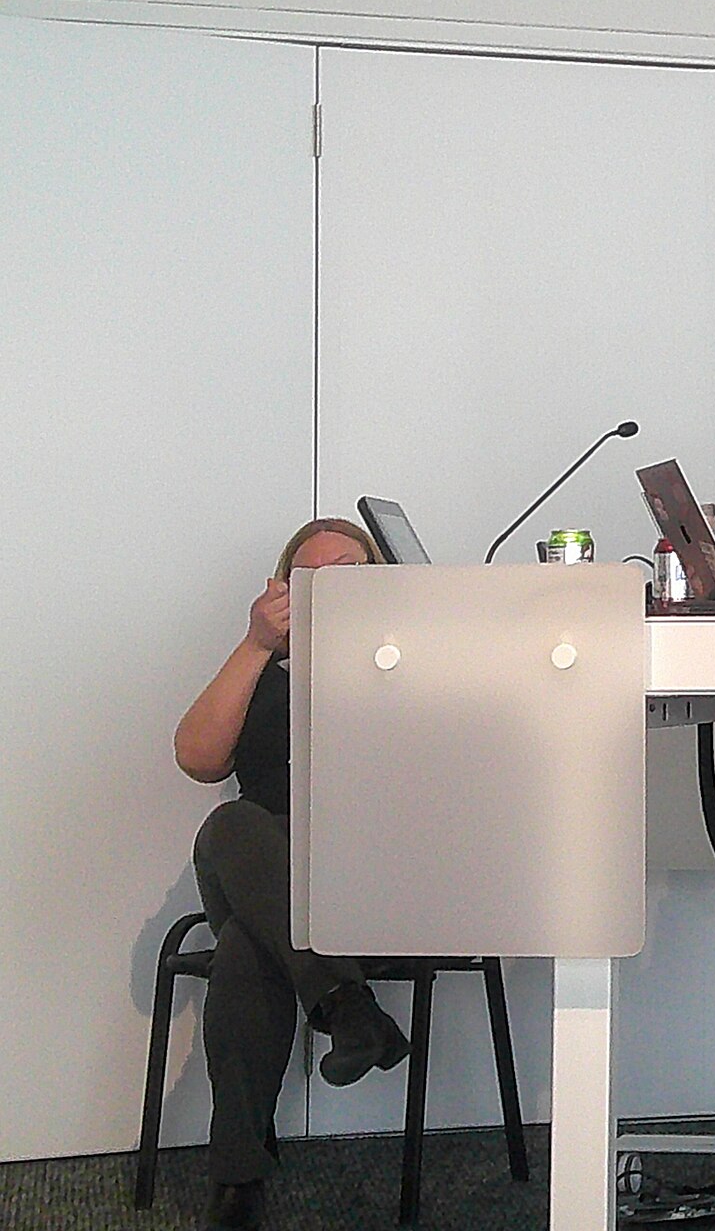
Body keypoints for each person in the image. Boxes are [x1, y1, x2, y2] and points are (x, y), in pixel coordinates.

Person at [175, 518, 410, 1230]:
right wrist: (257, 645)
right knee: (229, 824)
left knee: (249, 948)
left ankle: (238, 1177)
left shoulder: (409, 665)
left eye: (352, 571)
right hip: (257, 863)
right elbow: (196, 758)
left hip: (366, 888)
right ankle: (351, 1009)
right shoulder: (264, 671)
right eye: (313, 577)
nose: (333, 587)